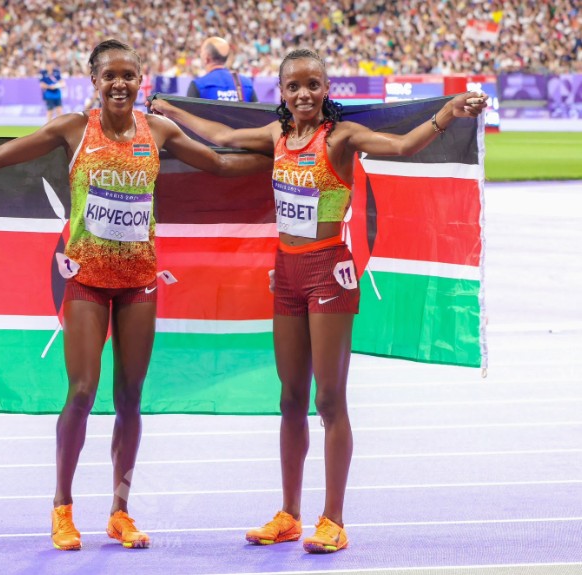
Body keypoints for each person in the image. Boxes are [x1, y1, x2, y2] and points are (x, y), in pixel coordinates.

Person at [0, 39, 270, 552]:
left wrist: (287, 160)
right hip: (87, 279)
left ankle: (120, 512)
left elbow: (221, 165)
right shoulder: (73, 129)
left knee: (131, 398)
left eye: (129, 75)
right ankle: (62, 508)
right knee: (83, 391)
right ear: (94, 80)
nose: (119, 83)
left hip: (140, 281)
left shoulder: (158, 130)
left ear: (141, 81)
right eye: (110, 74)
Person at [150, 48, 487, 554]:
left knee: (328, 400)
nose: (304, 94)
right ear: (281, 94)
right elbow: (219, 136)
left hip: (329, 271)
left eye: (313, 84)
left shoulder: (342, 138)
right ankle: (288, 514)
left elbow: (400, 145)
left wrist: (448, 112)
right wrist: (171, 110)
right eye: (294, 86)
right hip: (285, 273)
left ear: (326, 89)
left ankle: (334, 519)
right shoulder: (275, 136)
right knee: (289, 400)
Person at [187, 36, 258, 103]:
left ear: (206, 58)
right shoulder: (246, 83)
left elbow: (188, 115)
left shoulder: (198, 85)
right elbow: (258, 114)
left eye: (201, 52)